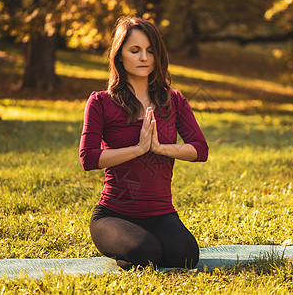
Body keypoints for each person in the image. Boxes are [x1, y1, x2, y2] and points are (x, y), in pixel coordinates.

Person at [79, 16, 208, 270]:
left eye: (150, 51)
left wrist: (160, 148)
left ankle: (145, 247)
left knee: (187, 256)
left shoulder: (175, 101)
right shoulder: (101, 102)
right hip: (114, 215)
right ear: (119, 56)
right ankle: (133, 248)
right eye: (135, 50)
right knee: (146, 252)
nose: (144, 58)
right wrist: (138, 149)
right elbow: (88, 158)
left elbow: (200, 150)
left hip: (161, 213)